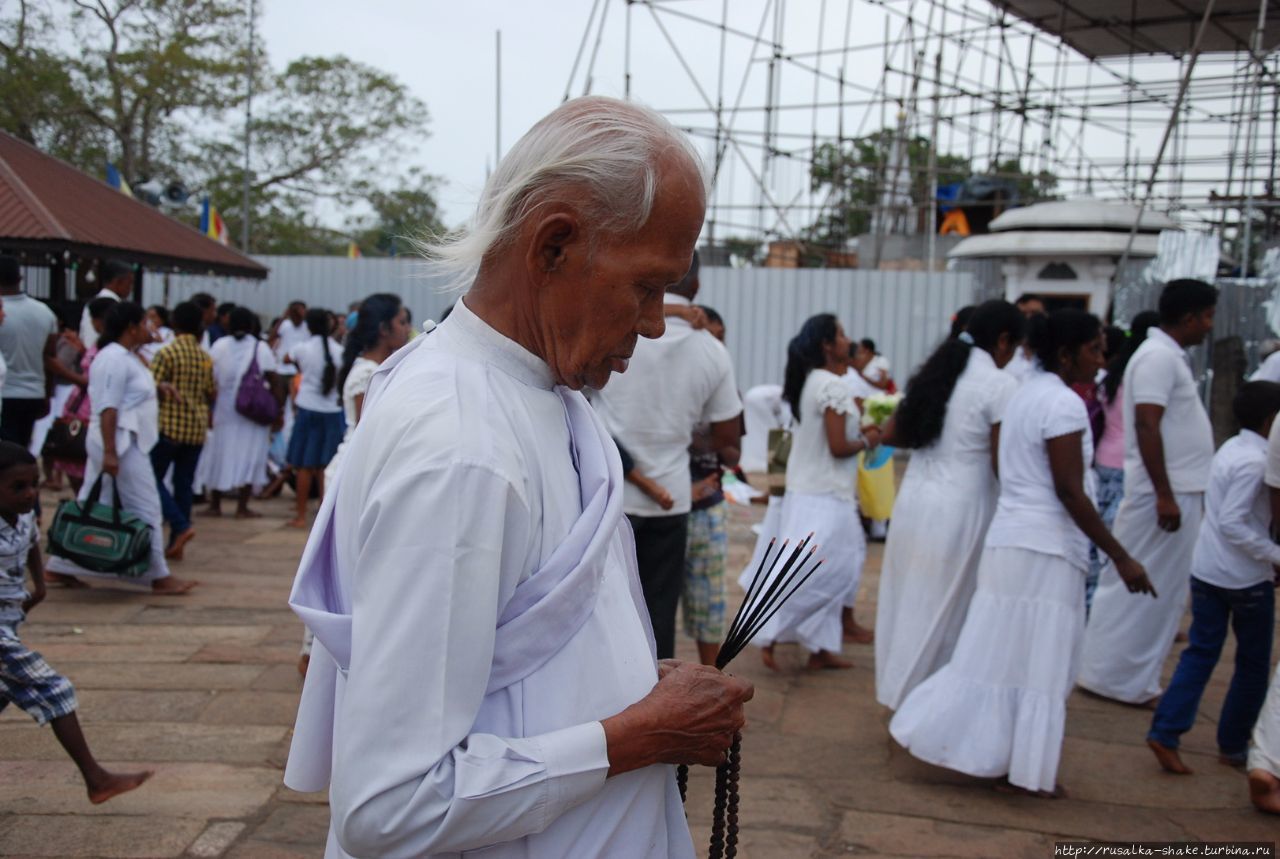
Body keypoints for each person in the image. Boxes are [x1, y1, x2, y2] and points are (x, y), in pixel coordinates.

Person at [285, 96, 753, 859]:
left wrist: (630, 677)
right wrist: (635, 733)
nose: (656, 322)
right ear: (554, 245)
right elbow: (390, 804)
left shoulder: (540, 390)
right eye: (646, 286)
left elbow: (523, 640)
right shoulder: (461, 446)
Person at [890, 310, 1154, 798]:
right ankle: (1023, 769)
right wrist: (1121, 556)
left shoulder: (1026, 393)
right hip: (1044, 549)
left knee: (997, 657)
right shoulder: (1061, 404)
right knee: (1038, 664)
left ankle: (998, 755)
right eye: (1095, 350)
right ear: (1065, 353)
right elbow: (1071, 492)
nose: (1101, 362)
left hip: (1014, 542)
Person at [874, 299, 1024, 710]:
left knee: (909, 598)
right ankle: (929, 704)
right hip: (962, 503)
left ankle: (899, 691)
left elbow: (892, 434)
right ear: (1004, 340)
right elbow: (1002, 462)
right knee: (948, 605)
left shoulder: (940, 373)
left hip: (916, 498)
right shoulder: (999, 384)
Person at [594, 250, 743, 660]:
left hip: (609, 498)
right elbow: (730, 441)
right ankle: (654, 707)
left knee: (600, 611)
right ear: (694, 285)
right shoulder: (711, 351)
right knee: (658, 614)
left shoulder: (616, 331)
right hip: (671, 502)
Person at [1078, 279, 1217, 706]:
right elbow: (1146, 425)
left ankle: (1117, 673)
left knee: (1160, 589)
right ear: (1190, 317)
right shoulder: (1158, 358)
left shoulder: (1165, 356)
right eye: (1208, 316)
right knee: (1143, 586)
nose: (1210, 326)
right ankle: (1121, 679)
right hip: (1164, 492)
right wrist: (1164, 494)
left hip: (1176, 488)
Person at [0, 442, 153, 802]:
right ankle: (97, 780)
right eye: (17, 487)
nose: (29, 494)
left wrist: (39, 585)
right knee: (54, 689)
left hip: (11, 619)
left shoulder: (22, 518)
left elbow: (33, 543)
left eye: (33, 485)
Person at [1145, 381, 1280, 774]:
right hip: (1241, 577)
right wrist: (1274, 555)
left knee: (1202, 653)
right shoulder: (1256, 462)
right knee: (1252, 663)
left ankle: (1167, 729)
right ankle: (1233, 743)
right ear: (1270, 421)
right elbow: (1234, 522)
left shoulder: (1231, 449)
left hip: (1208, 569)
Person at [746, 313, 880, 671]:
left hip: (815, 492)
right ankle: (769, 627)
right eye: (840, 334)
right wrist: (871, 437)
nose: (847, 339)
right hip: (824, 495)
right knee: (826, 569)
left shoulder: (812, 381)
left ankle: (820, 646)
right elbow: (838, 447)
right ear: (827, 345)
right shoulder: (832, 386)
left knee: (840, 564)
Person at [44, 302, 197, 594]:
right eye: (144, 323)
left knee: (93, 499)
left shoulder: (127, 357)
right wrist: (112, 452)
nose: (149, 329)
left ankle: (60, 565)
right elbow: (108, 407)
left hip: (125, 439)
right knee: (146, 505)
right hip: (120, 441)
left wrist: (161, 389)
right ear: (131, 327)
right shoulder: (113, 358)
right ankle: (157, 574)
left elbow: (130, 395)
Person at [1087, 311, 1159, 612]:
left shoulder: (1113, 375)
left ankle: (1090, 599)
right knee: (1114, 540)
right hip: (1124, 467)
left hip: (1103, 460)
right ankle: (1100, 605)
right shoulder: (1141, 376)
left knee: (1096, 538)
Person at [683, 305, 739, 667]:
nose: (716, 347)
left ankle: (711, 681)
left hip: (707, 506)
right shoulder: (669, 380)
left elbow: (734, 454)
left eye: (721, 340)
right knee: (651, 609)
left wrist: (702, 437)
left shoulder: (727, 388)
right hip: (661, 505)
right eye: (709, 338)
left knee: (709, 608)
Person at [148, 302, 214, 561]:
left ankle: (179, 525)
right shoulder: (204, 356)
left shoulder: (167, 353)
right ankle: (178, 539)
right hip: (195, 428)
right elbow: (211, 392)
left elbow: (150, 387)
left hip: (169, 426)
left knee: (152, 479)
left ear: (174, 323)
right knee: (183, 484)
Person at [202, 307, 281, 518]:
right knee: (250, 455)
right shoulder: (260, 347)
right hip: (252, 412)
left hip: (224, 409)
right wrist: (277, 410)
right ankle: (242, 507)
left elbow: (210, 378)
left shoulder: (219, 346)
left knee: (221, 454)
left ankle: (215, 504)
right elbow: (273, 378)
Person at [0, 256, 80, 448]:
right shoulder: (45, 312)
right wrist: (47, 395)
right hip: (33, 393)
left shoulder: (2, 311)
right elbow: (49, 358)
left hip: (4, 394)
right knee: (22, 448)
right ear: (20, 278)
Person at [285, 308, 345, 529]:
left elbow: (285, 358)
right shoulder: (339, 352)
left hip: (307, 409)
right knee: (324, 465)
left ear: (308, 326)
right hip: (331, 411)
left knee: (304, 465)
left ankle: (301, 515)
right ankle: (323, 513)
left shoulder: (302, 349)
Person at [51, 298, 115, 493]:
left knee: (81, 459)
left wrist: (59, 369)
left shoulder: (109, 347)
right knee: (75, 457)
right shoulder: (103, 343)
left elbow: (94, 381)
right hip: (80, 406)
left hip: (88, 407)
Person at [77, 259, 133, 350]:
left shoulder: (98, 301)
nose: (131, 288)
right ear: (118, 282)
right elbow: (91, 341)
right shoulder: (107, 305)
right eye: (130, 283)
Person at [1004, 293, 1047, 384]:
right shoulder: (1003, 355)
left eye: (1034, 313)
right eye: (1022, 314)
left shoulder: (1053, 357)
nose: (1028, 318)